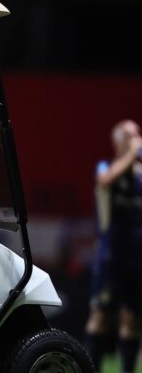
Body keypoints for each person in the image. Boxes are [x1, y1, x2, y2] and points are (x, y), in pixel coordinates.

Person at [84, 119, 142, 373]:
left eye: (137, 135)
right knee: (100, 317)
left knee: (132, 319)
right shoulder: (105, 166)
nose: (136, 140)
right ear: (117, 140)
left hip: (137, 258)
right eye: (130, 136)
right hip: (110, 256)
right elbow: (104, 180)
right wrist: (131, 154)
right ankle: (90, 368)